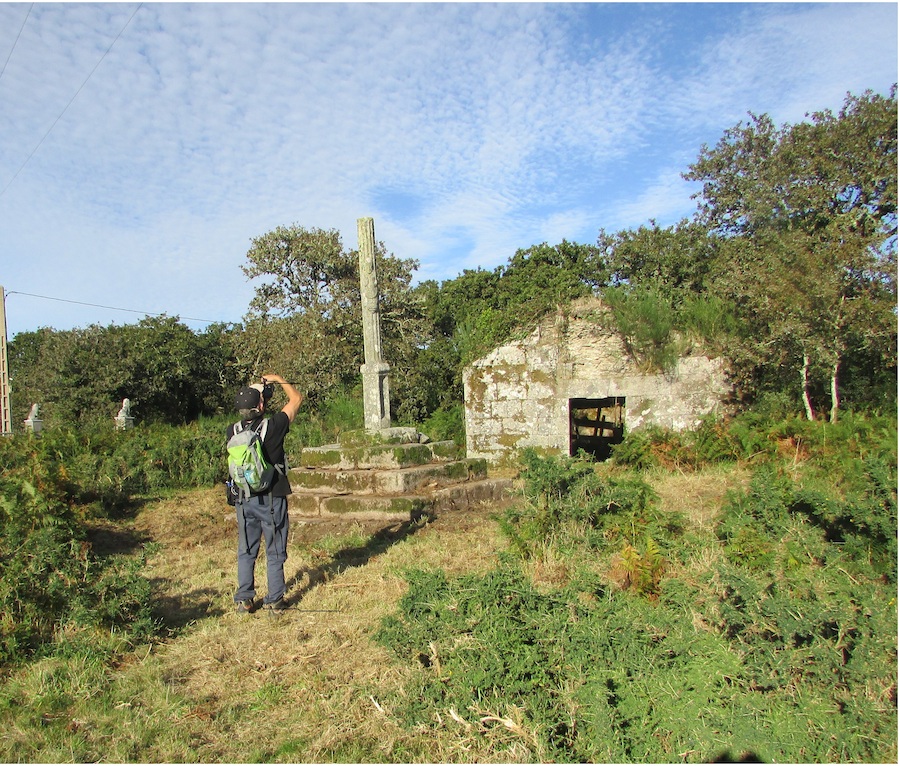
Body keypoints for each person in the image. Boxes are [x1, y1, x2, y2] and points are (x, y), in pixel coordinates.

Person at [228, 374, 303, 615]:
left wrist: (255, 391)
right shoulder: (274, 426)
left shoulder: (232, 430)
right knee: (274, 549)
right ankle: (274, 600)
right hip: (271, 497)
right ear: (261, 405)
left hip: (243, 499)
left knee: (247, 549)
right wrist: (278, 379)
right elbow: (296, 399)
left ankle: (244, 599)